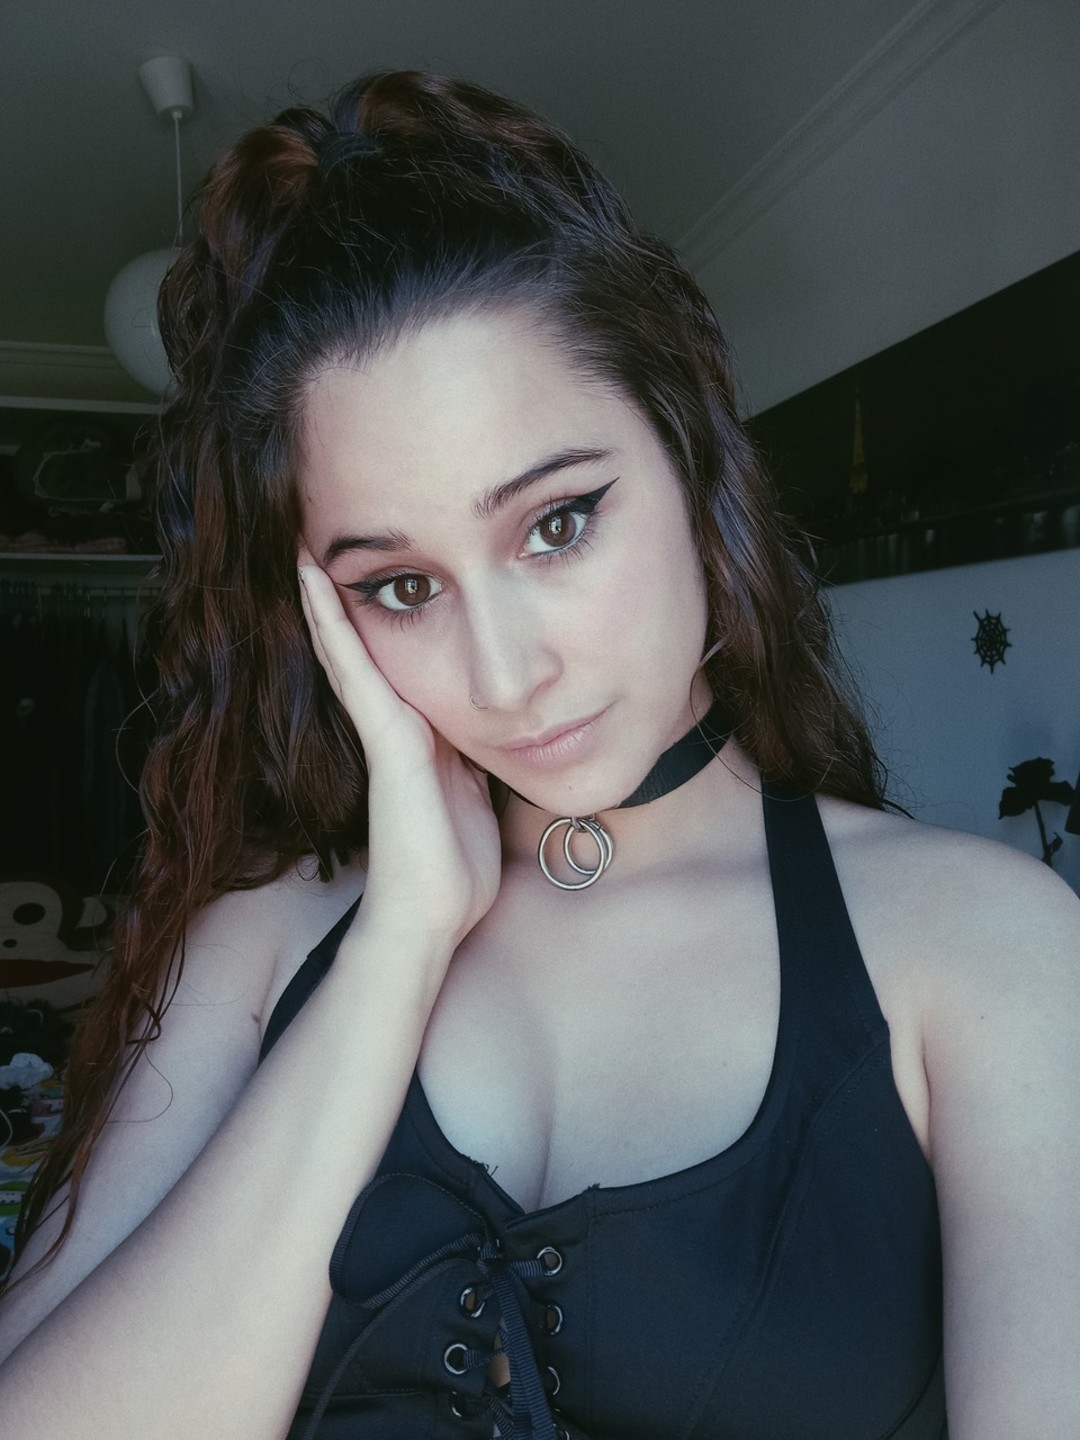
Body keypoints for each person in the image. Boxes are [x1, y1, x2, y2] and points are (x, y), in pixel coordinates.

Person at [0, 68, 1077, 1440]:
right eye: (401, 587)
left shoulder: (982, 947)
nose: (506, 678)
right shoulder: (269, 943)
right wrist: (398, 948)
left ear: (691, 460)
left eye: (557, 525)